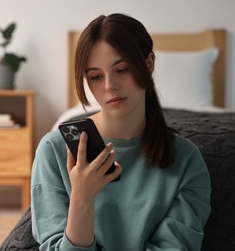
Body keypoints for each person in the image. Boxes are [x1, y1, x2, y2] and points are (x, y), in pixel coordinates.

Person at [30, 13, 211, 250]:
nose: (109, 86)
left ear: (148, 64)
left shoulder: (186, 159)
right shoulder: (54, 150)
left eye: (122, 69)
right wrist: (82, 200)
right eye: (95, 76)